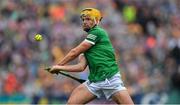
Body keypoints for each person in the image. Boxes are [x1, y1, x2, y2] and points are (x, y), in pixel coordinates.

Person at [49, 8, 134, 104]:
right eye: (84, 19)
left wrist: (58, 65)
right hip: (94, 81)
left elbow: (74, 52)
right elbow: (80, 67)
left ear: (97, 21)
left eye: (88, 19)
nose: (85, 22)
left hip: (110, 79)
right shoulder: (88, 47)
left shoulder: (98, 32)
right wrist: (60, 68)